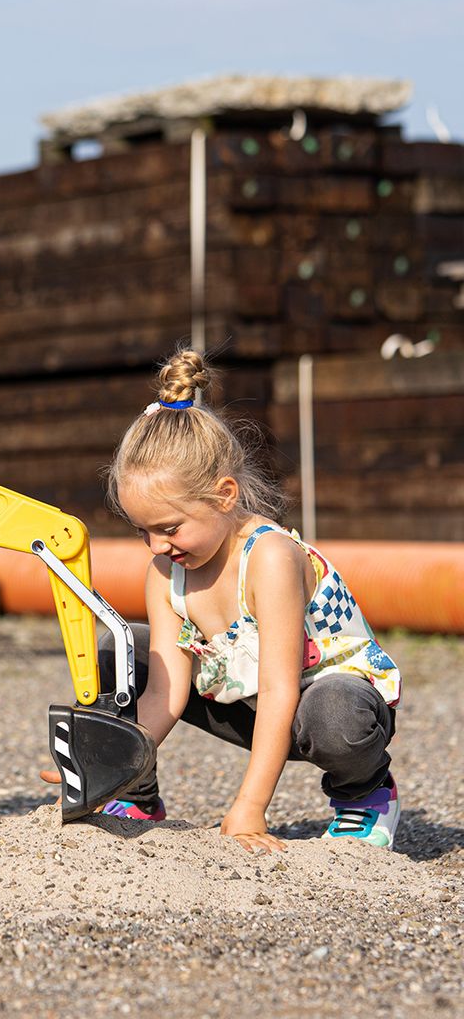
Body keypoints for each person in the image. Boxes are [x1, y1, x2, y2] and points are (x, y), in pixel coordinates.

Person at [47, 348, 402, 853]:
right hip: (246, 698)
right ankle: (134, 794)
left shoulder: (271, 558)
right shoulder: (165, 571)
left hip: (315, 698)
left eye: (169, 529)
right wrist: (106, 765)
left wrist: (249, 808)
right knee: (121, 651)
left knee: (335, 715)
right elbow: (162, 697)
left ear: (225, 496)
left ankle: (366, 794)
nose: (156, 546)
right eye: (142, 531)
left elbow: (283, 690)